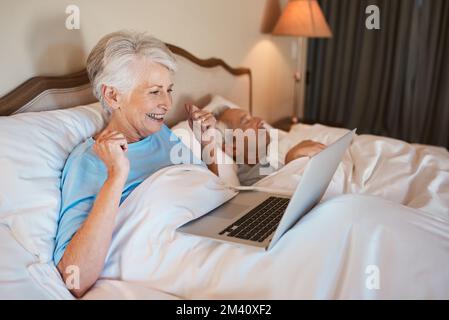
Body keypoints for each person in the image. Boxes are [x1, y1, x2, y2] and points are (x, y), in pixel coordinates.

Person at [53, 30, 218, 297]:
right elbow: (75, 278)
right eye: (154, 92)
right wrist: (116, 176)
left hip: (218, 237)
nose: (167, 103)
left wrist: (208, 144)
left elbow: (211, 192)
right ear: (113, 96)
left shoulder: (162, 133)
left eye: (168, 90)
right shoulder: (89, 161)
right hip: (184, 260)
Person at [216, 107, 326, 186]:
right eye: (247, 121)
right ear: (233, 148)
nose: (260, 120)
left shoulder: (268, 160)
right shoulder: (250, 182)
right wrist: (291, 161)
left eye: (252, 116)